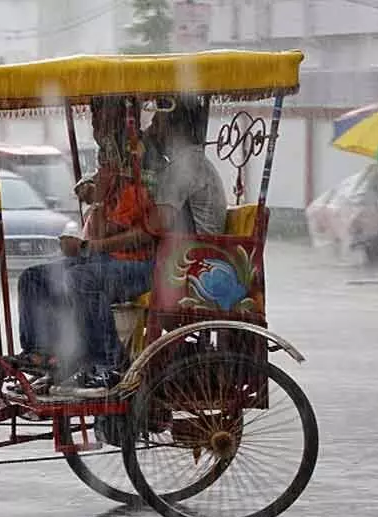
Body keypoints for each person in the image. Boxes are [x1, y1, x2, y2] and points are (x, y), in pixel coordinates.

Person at [60, 95, 228, 394]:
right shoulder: (179, 162)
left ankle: (109, 365)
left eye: (158, 120)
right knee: (53, 276)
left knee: (82, 280)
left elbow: (154, 224)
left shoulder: (186, 164)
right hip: (177, 259)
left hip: (184, 266)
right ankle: (71, 357)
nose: (152, 127)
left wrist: (97, 242)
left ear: (174, 125)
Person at [13, 96, 155, 380]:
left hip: (141, 265)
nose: (95, 126)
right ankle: (42, 351)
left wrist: (90, 243)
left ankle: (109, 362)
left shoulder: (142, 165)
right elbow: (91, 200)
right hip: (103, 257)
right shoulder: (109, 161)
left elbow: (142, 233)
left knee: (80, 279)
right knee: (32, 278)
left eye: (100, 119)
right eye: (95, 120)